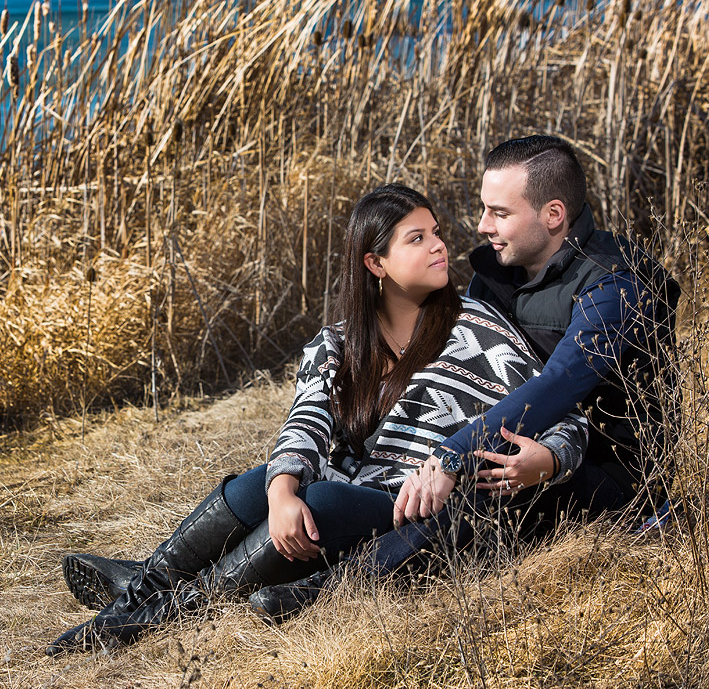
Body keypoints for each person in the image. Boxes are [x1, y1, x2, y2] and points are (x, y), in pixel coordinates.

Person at [45, 184, 585, 655]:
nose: (440, 245)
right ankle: (145, 590)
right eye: (416, 239)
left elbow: (555, 411)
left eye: (436, 233)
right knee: (264, 483)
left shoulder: (479, 329)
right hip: (351, 488)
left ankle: (168, 607)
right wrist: (282, 492)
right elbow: (304, 424)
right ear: (375, 264)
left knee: (319, 500)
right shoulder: (336, 344)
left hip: (413, 505)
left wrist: (552, 457)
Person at [248, 135, 680, 623]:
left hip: (610, 467)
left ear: (553, 215)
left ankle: (331, 589)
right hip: (515, 437)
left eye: (499, 212)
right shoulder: (495, 275)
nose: (482, 226)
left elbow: (559, 384)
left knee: (479, 490)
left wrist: (455, 456)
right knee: (449, 480)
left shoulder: (614, 283)